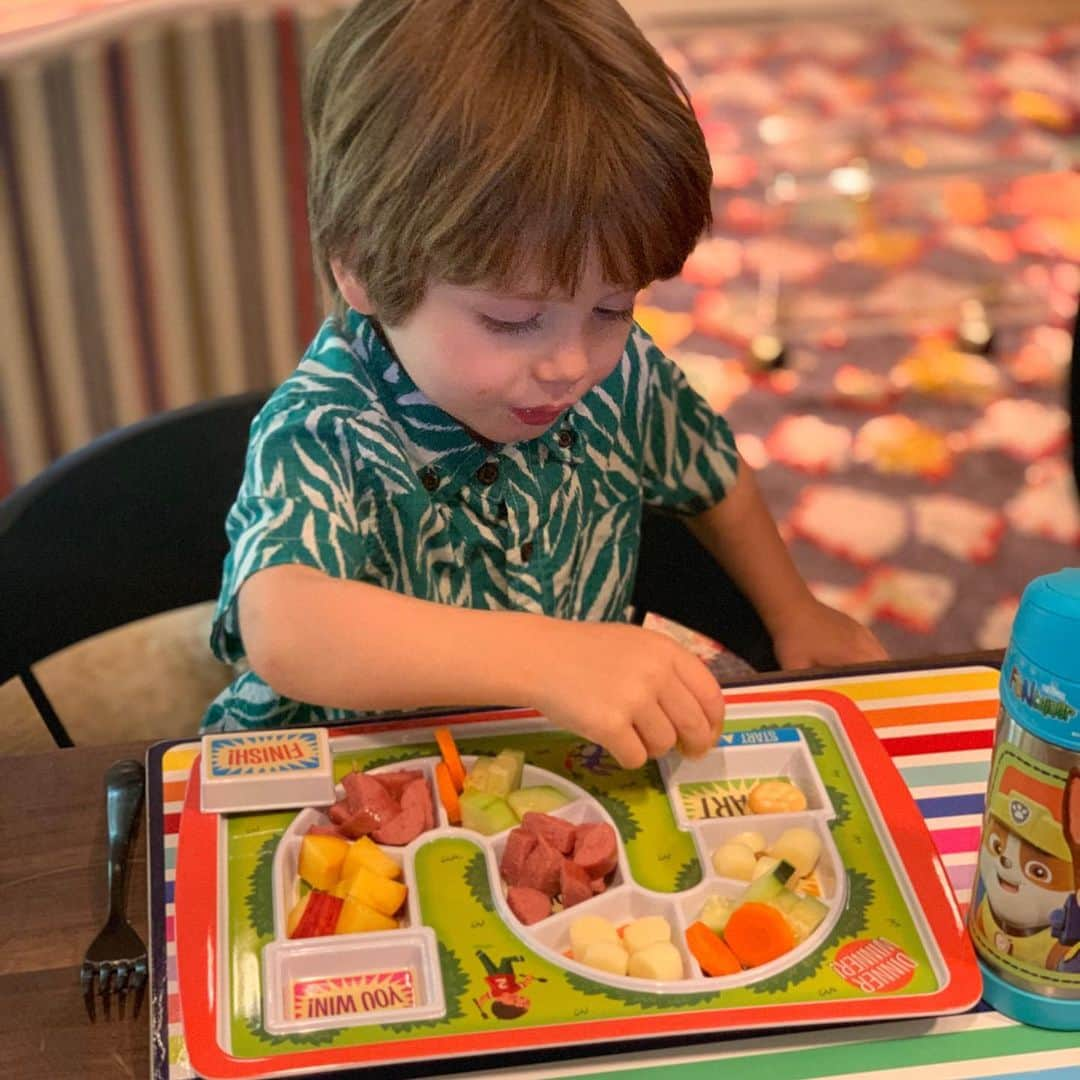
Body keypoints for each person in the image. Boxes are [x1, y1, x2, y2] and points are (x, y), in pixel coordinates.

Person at [202, 0, 886, 767]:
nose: (570, 363)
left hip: (550, 759)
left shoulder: (621, 376)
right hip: (344, 773)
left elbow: (712, 474)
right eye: (511, 319)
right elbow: (287, 627)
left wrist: (792, 607)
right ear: (361, 264)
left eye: (611, 306)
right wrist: (546, 655)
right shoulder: (328, 425)